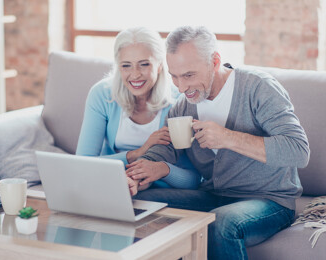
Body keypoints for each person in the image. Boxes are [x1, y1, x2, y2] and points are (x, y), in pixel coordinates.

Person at [131, 25, 310, 260]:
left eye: (189, 75)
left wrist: (228, 138)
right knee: (140, 204)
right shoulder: (184, 106)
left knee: (221, 222)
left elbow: (298, 150)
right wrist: (145, 168)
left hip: (269, 201)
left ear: (214, 61)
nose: (181, 87)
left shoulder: (258, 88)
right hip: (215, 196)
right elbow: (166, 146)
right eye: (174, 76)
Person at [76, 27, 201, 191]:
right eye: (126, 65)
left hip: (158, 193)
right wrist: (138, 153)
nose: (135, 75)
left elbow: (194, 179)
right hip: (109, 184)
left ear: (159, 65)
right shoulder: (102, 95)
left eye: (144, 64)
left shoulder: (179, 102)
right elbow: (82, 164)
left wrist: (157, 172)